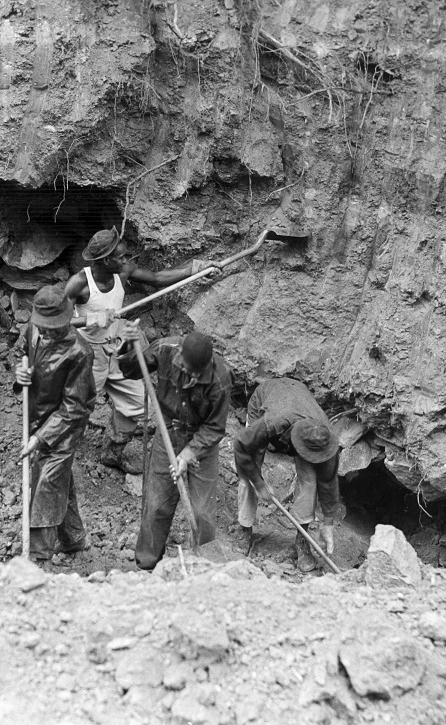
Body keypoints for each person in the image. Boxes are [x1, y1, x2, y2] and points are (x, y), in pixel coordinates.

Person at [63, 227, 220, 470]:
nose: (126, 261)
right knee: (77, 408)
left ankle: (112, 451)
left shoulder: (122, 273)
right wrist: (91, 319)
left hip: (117, 347)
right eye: (121, 257)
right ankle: (58, 458)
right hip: (88, 356)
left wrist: (195, 269)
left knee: (136, 403)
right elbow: (58, 321)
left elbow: (157, 279)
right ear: (105, 260)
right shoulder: (79, 284)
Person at [117, 324, 233, 571]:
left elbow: (214, 428)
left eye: (196, 375)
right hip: (168, 430)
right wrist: (129, 344)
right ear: (180, 354)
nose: (190, 378)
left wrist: (188, 454)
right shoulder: (165, 350)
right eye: (186, 371)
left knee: (202, 512)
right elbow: (131, 370)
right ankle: (146, 564)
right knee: (157, 503)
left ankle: (203, 567)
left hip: (202, 442)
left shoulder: (221, 378)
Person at [15, 285, 96, 565]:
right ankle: (73, 538)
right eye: (43, 327)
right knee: (61, 480)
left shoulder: (80, 352)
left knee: (47, 485)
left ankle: (37, 558)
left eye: (53, 328)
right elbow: (22, 361)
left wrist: (40, 438)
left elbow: (74, 407)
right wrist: (21, 375)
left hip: (65, 428)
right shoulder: (33, 331)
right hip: (36, 418)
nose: (46, 332)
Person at [232, 377, 344, 572]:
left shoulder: (325, 440)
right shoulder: (273, 422)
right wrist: (259, 484)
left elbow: (327, 480)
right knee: (250, 473)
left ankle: (302, 540)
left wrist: (328, 523)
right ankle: (245, 527)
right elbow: (241, 446)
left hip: (297, 400)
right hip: (267, 401)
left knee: (309, 481)